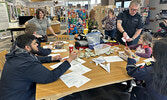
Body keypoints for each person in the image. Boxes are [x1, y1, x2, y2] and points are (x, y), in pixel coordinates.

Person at [0, 34, 78, 100]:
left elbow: (35, 58)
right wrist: (69, 60)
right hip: (21, 96)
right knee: (56, 93)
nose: (37, 44)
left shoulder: (17, 54)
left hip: (15, 92)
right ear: (27, 47)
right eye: (34, 43)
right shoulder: (26, 64)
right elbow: (51, 76)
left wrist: (52, 58)